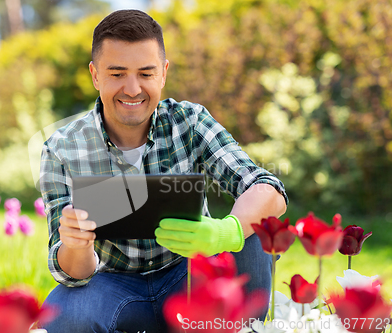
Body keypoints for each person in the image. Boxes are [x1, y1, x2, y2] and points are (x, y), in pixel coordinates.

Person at [40, 9, 288, 333]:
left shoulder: (190, 122)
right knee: (62, 313)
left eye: (145, 73)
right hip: (114, 286)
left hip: (189, 277)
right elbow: (73, 272)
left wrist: (225, 232)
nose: (132, 89)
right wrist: (76, 244)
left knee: (251, 240)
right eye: (117, 74)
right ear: (95, 75)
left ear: (163, 74)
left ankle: (240, 329)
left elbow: (269, 189)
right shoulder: (62, 148)